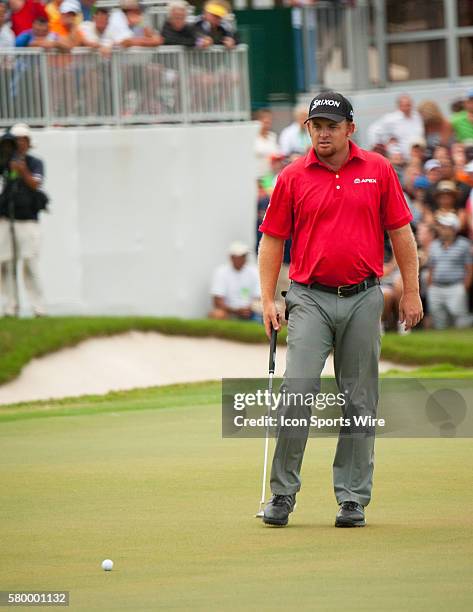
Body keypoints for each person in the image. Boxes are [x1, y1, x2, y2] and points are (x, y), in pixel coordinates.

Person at [258, 91, 423, 528]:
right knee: (298, 392)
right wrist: (269, 296)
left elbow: (401, 234)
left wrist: (411, 291)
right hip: (309, 297)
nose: (323, 133)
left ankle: (352, 499)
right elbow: (272, 240)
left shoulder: (378, 170)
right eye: (316, 125)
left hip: (365, 296)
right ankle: (282, 494)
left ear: (350, 129)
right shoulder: (293, 176)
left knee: (360, 400)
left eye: (332, 125)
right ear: (308, 129)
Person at [0, 124, 47, 317]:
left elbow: (35, 183)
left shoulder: (35, 162)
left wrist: (22, 170)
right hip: (5, 218)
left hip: (28, 220)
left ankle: (39, 308)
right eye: (15, 140)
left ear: (28, 143)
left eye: (22, 140)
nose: (19, 144)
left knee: (30, 263)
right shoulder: (3, 163)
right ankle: (11, 307)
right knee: (6, 263)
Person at [427, 212, 473, 329]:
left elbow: (469, 268)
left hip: (456, 287)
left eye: (445, 227)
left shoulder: (464, 244)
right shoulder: (434, 245)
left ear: (453, 229)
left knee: (460, 322)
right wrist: (431, 287)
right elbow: (431, 268)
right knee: (439, 322)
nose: (442, 230)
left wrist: (464, 287)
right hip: (436, 288)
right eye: (441, 227)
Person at [209, 242, 261, 321]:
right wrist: (236, 311)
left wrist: (248, 309)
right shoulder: (221, 272)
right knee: (217, 314)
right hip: (229, 312)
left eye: (243, 256)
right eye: (238, 257)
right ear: (231, 258)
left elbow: (258, 297)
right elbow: (217, 300)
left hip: (251, 311)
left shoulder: (254, 271)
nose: (241, 259)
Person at [367, 94, 424, 159]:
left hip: (416, 157)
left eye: (408, 105)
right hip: (399, 159)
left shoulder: (417, 117)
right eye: (404, 105)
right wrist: (379, 147)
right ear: (399, 106)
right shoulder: (391, 118)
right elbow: (374, 130)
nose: (407, 108)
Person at [254, 109, 279, 179]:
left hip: (270, 176)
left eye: (269, 119)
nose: (267, 121)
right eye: (263, 118)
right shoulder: (253, 137)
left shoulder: (273, 136)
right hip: (257, 176)